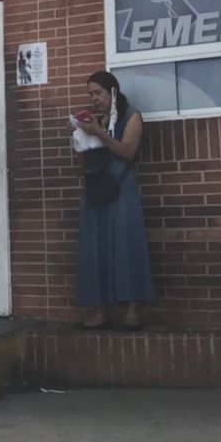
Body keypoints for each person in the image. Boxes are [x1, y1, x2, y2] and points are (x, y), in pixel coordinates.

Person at [72, 70, 154, 331]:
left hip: (121, 185)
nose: (94, 98)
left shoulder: (132, 116)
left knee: (126, 244)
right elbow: (84, 161)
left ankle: (132, 311)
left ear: (113, 92)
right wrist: (80, 137)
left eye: (98, 93)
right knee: (96, 246)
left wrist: (100, 133)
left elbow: (128, 151)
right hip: (97, 187)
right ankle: (100, 311)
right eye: (90, 94)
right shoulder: (95, 119)